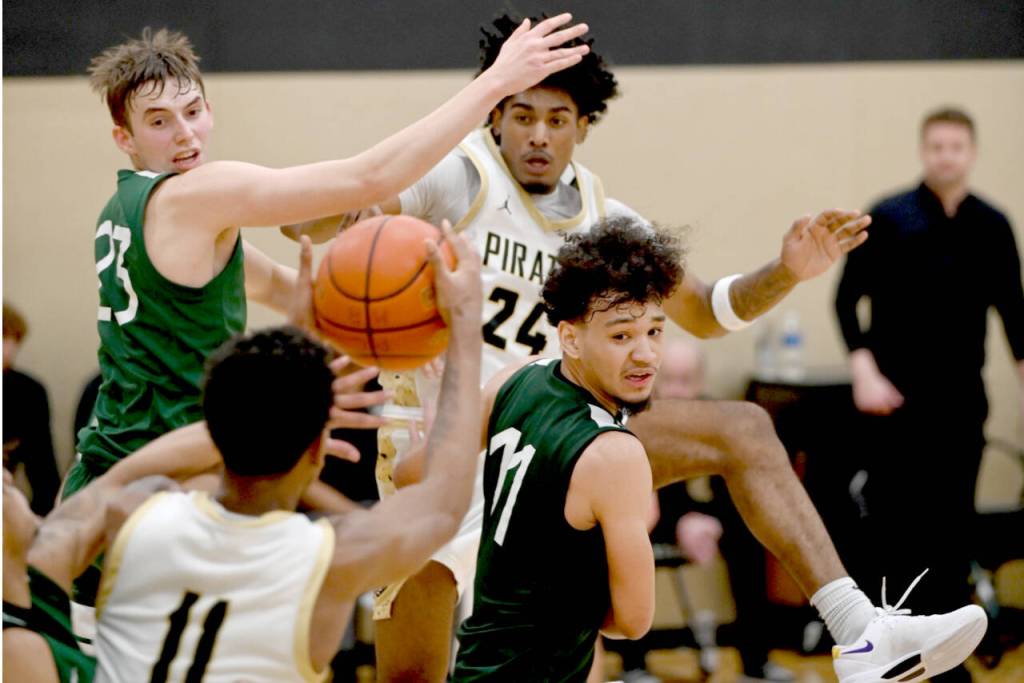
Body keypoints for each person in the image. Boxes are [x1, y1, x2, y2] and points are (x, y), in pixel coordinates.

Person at [284, 13, 872, 681]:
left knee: (744, 428)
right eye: (522, 115)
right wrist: (356, 201)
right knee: (410, 677)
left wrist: (787, 271)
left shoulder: (606, 220)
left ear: (583, 126)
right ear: (494, 116)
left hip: (555, 439)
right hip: (446, 443)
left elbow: (707, 311)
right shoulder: (455, 180)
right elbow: (301, 222)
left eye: (557, 118)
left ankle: (858, 626)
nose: (538, 134)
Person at [60, 19, 588, 616]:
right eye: (159, 122)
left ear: (209, 109)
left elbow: (288, 294)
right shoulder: (195, 194)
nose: (184, 134)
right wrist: (495, 83)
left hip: (111, 475)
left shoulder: (130, 209)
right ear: (124, 137)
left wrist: (408, 329)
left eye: (192, 111)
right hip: (164, 484)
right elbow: (368, 178)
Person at [5, 224, 486, 682]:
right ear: (317, 449)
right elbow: (444, 503)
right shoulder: (331, 562)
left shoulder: (130, 509)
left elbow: (113, 478)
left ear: (212, 420)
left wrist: (286, 388)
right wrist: (465, 325)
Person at [834, 107, 1024, 683]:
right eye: (937, 146)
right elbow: (845, 301)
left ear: (971, 153)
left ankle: (948, 660)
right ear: (924, 151)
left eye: (956, 147)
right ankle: (891, 651)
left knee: (953, 528)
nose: (946, 156)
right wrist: (864, 371)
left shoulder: (993, 225)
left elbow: (1014, 316)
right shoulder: (889, 216)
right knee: (896, 528)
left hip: (962, 401)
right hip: (896, 404)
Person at [452, 217, 671, 681]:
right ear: (570, 337)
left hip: (474, 666)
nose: (646, 355)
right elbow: (633, 621)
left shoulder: (516, 377)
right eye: (621, 335)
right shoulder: (615, 454)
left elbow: (417, 473)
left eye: (654, 331)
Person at [3, 302, 61, 516]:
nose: (8, 348)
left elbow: (43, 471)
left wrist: (44, 524)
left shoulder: (27, 393)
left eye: (12, 339)